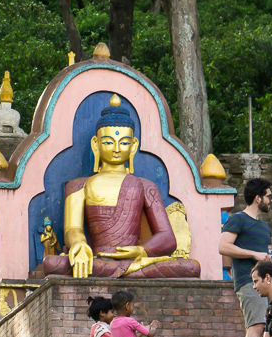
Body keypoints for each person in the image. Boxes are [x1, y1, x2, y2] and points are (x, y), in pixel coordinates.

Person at [46, 96, 195, 278]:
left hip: (136, 261)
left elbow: (167, 238)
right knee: (53, 264)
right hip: (96, 259)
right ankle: (124, 272)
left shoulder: (146, 186)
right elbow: (72, 230)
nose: (116, 148)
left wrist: (142, 251)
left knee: (190, 267)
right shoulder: (78, 185)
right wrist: (79, 245)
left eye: (124, 142)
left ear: (133, 146)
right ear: (96, 144)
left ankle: (126, 271)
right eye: (108, 142)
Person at [220, 178, 272, 337]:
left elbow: (261, 256)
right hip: (248, 281)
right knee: (256, 326)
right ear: (258, 198)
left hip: (266, 283)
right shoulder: (238, 219)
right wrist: (252, 253)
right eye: (269, 196)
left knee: (267, 328)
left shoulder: (265, 227)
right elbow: (223, 246)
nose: (271, 200)